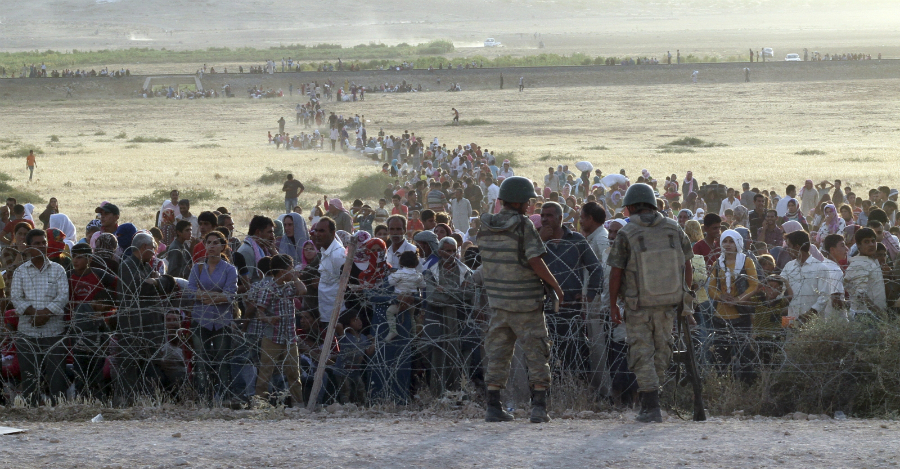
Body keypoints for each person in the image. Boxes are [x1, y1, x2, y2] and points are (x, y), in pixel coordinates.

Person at [478, 176, 563, 424]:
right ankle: (538, 408)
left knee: (498, 354)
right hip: (526, 303)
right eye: (527, 201)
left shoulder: (485, 225)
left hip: (498, 302)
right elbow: (535, 260)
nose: (529, 206)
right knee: (537, 353)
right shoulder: (523, 225)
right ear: (521, 202)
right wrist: (555, 285)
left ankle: (493, 407)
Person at [607, 183, 694, 423]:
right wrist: (684, 294)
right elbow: (687, 263)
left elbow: (616, 271)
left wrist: (613, 304)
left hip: (638, 306)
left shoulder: (627, 232)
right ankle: (653, 399)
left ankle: (650, 404)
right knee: (661, 352)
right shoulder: (673, 228)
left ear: (632, 206)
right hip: (668, 304)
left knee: (641, 353)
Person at [539, 201, 601, 380]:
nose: (544, 219)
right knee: (545, 354)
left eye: (549, 215)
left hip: (571, 308)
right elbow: (525, 264)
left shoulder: (576, 240)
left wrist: (589, 295)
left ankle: (579, 390)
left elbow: (596, 268)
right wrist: (540, 241)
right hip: (545, 308)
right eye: (542, 215)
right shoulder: (536, 240)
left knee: (574, 353)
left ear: (560, 218)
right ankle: (548, 393)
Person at [10, 229, 69, 406]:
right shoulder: (21, 272)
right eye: (37, 243)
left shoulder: (58, 270)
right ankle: (31, 410)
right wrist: (33, 314)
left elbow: (63, 296)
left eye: (44, 243)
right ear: (28, 247)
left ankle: (58, 411)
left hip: (54, 331)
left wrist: (45, 314)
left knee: (57, 375)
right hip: (28, 331)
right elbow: (16, 297)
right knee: (29, 377)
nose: (42, 246)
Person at [187, 231, 239, 404]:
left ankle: (224, 398)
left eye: (215, 243)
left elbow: (230, 295)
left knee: (222, 360)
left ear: (223, 246)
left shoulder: (230, 269)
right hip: (200, 320)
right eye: (208, 242)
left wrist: (206, 296)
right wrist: (215, 296)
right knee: (201, 361)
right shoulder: (198, 267)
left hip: (222, 320)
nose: (211, 246)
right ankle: (203, 398)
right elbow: (191, 291)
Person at [254, 253, 307, 406]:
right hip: (273, 337)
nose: (294, 271)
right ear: (283, 271)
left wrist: (295, 277)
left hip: (290, 336)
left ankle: (298, 404)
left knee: (293, 373)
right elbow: (260, 312)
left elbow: (302, 291)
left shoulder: (290, 286)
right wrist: (269, 319)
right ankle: (259, 405)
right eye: (291, 268)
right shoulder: (268, 289)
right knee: (266, 372)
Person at [845, 227, 887, 316]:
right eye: (866, 242)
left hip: (873, 313)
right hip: (864, 315)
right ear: (858, 245)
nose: (871, 244)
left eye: (873, 241)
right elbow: (860, 295)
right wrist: (880, 313)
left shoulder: (872, 260)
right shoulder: (859, 264)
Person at [313, 217, 346, 326]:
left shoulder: (338, 254)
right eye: (316, 231)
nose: (317, 234)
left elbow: (346, 285)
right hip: (326, 313)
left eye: (322, 231)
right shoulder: (324, 251)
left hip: (337, 316)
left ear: (332, 233)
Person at [386, 251, 425, 342]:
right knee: (411, 317)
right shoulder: (418, 275)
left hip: (400, 300)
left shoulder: (399, 273)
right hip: (411, 300)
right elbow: (423, 285)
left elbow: (391, 282)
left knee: (389, 312)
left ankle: (393, 330)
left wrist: (392, 274)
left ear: (401, 262)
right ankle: (414, 334)